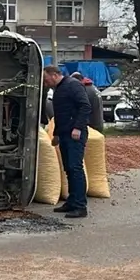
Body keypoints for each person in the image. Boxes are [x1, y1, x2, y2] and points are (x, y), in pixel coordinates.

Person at [42, 65, 91, 219]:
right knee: (69, 169)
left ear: (54, 75)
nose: (45, 83)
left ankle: (80, 206)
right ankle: (72, 201)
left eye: (46, 79)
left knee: (75, 168)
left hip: (75, 134)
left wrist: (77, 127)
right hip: (64, 133)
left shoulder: (73, 85)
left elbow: (85, 106)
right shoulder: (59, 89)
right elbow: (60, 115)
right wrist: (56, 134)